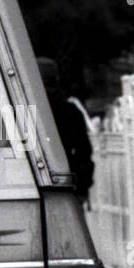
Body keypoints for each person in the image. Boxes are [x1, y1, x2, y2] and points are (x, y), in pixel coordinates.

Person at [38, 57, 94, 201]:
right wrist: (82, 188)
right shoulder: (70, 111)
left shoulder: (22, 113)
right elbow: (84, 153)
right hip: (64, 184)